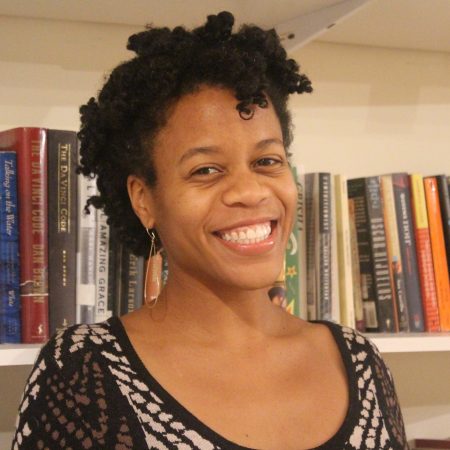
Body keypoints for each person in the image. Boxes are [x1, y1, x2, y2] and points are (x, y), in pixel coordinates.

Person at [11, 11, 409, 450]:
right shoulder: (83, 372)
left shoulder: (359, 361)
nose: (249, 191)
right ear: (144, 200)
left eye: (267, 161)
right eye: (206, 170)